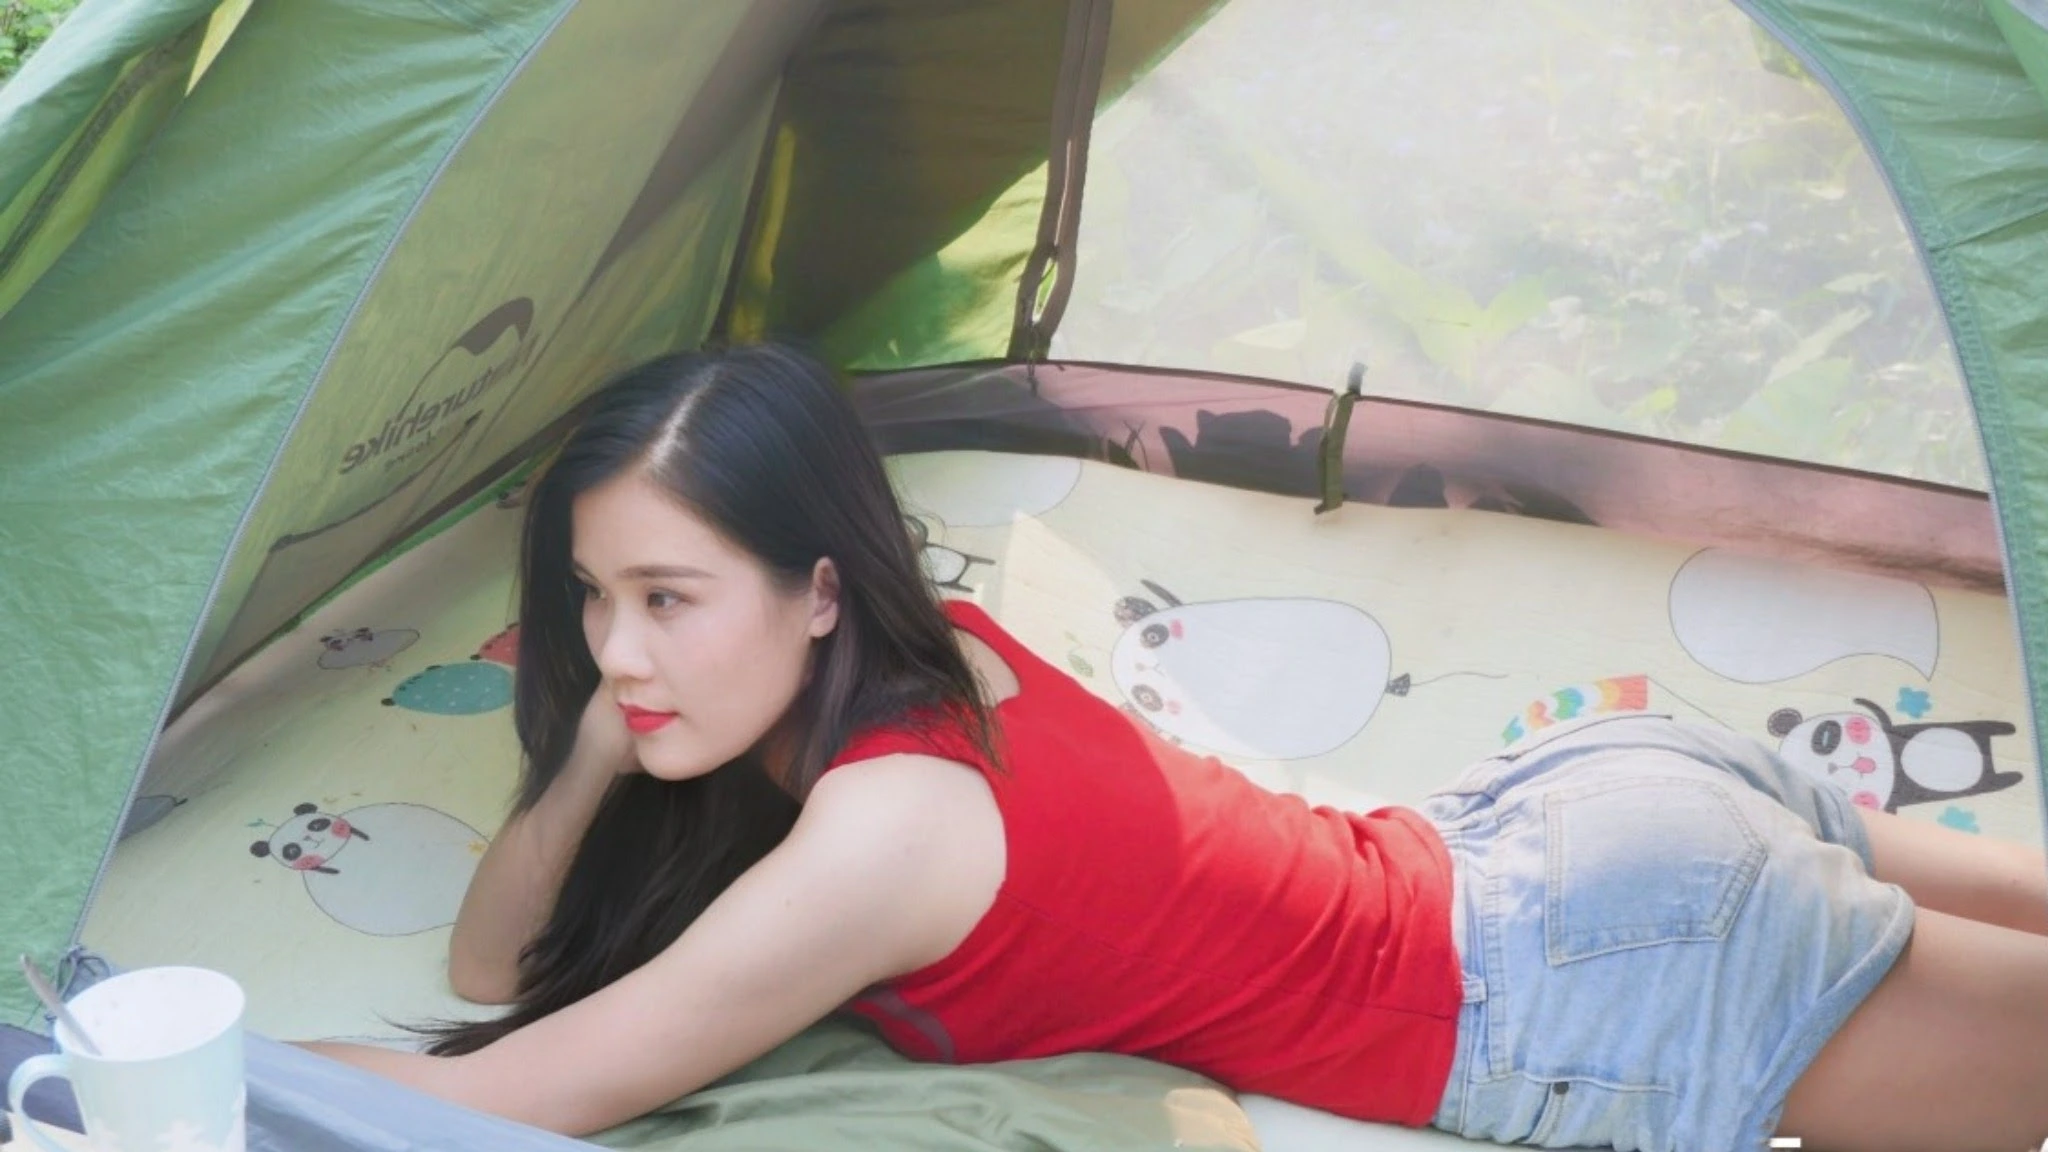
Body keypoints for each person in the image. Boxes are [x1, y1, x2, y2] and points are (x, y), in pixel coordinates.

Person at [303, 344, 2048, 1151]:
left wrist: (152, 1075)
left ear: (820, 591)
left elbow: (510, 1097)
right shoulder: (938, 652)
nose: (618, 650)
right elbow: (493, 967)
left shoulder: (880, 838)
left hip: (1588, 974)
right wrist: (601, 748)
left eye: (670, 600)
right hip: (1575, 819)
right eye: (593, 599)